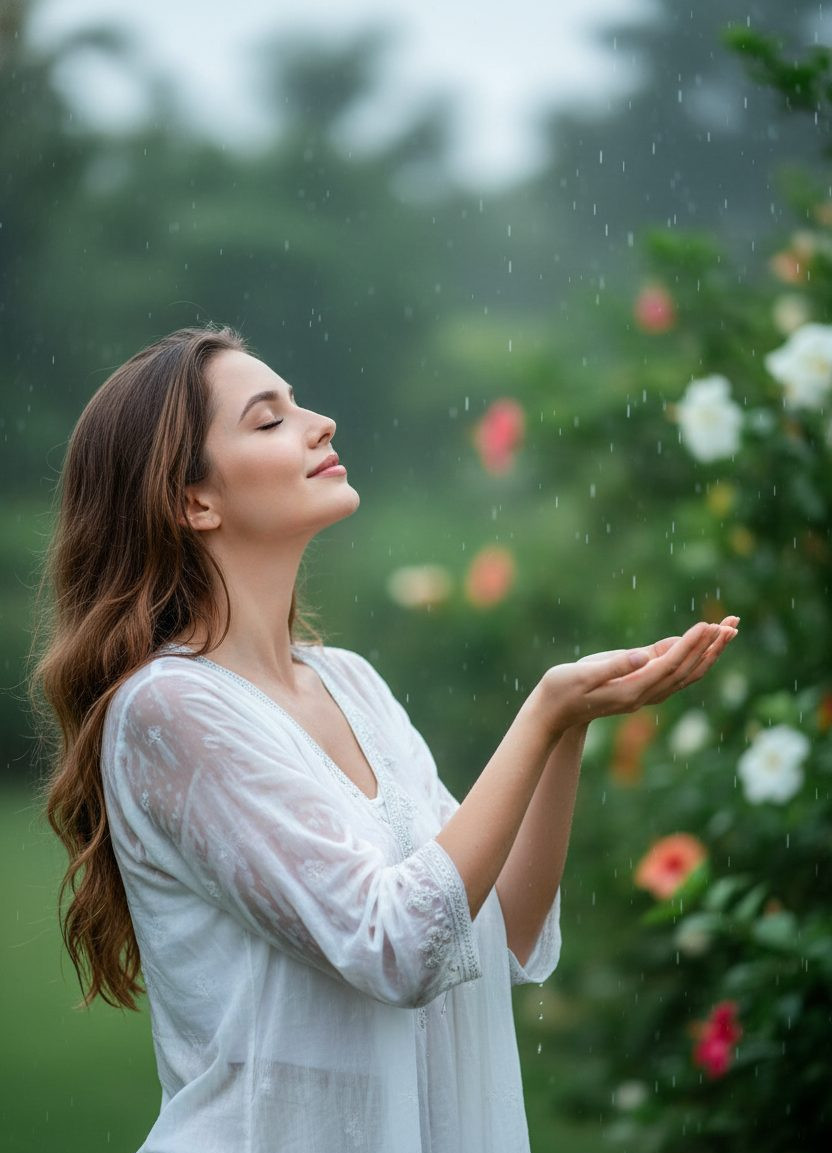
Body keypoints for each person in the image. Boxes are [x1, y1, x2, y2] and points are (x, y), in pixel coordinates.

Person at [35, 325, 738, 1153]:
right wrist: (541, 710)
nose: (320, 422)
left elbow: (500, 923)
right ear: (194, 501)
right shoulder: (170, 710)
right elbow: (397, 945)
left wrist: (571, 725)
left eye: (299, 404)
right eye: (268, 420)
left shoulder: (351, 682)